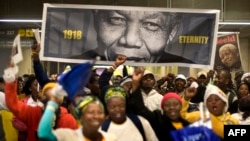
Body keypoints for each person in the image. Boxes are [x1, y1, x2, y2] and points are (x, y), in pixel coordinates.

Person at [81, 10, 194, 63]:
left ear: (172, 32)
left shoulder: (185, 65)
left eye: (151, 24)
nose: (130, 40)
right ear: (96, 21)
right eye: (117, 20)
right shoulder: (76, 64)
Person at [38, 95, 117, 141]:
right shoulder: (70, 136)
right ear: (81, 116)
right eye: (91, 112)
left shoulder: (111, 138)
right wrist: (52, 103)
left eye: (100, 112)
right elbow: (44, 134)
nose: (96, 116)